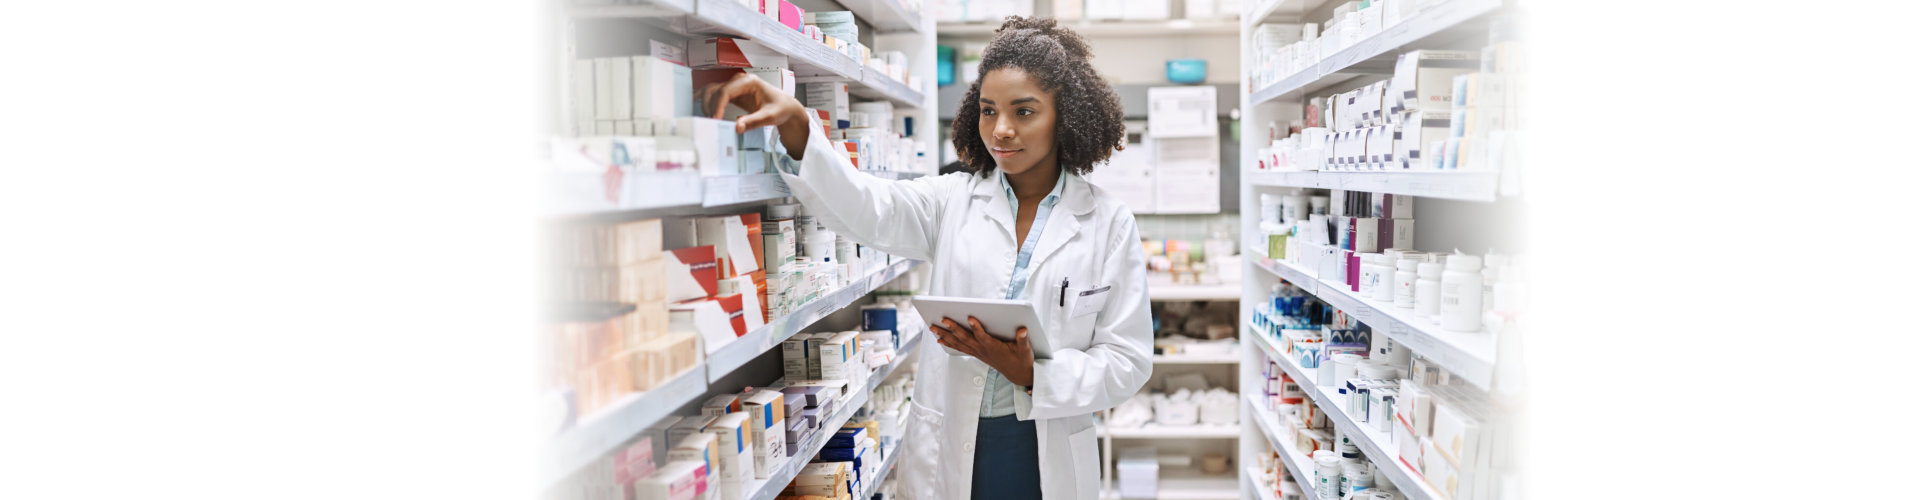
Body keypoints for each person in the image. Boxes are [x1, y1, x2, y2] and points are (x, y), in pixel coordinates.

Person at [696, 16, 1150, 500]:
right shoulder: (952, 199)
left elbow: (1129, 359)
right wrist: (799, 128)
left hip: (1046, 448)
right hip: (955, 443)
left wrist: (1033, 373)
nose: (1001, 130)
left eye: (1024, 112)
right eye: (988, 110)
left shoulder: (1107, 221)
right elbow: (869, 208)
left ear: (1066, 116)